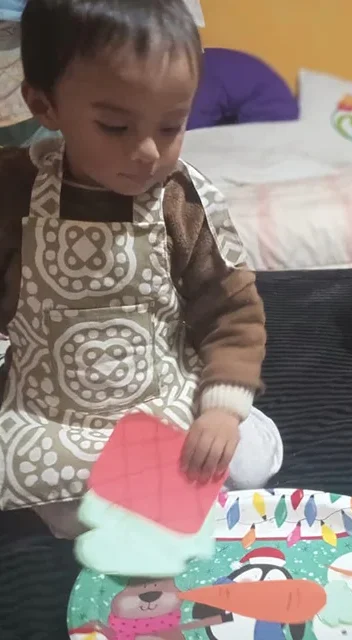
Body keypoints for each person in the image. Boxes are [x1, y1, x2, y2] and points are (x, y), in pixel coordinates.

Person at [0, 0, 283, 538]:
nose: (149, 152)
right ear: (44, 105)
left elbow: (231, 311)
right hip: (55, 415)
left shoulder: (182, 200)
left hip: (162, 395)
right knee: (65, 514)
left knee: (246, 466)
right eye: (115, 126)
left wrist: (222, 410)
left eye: (172, 126)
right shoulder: (13, 189)